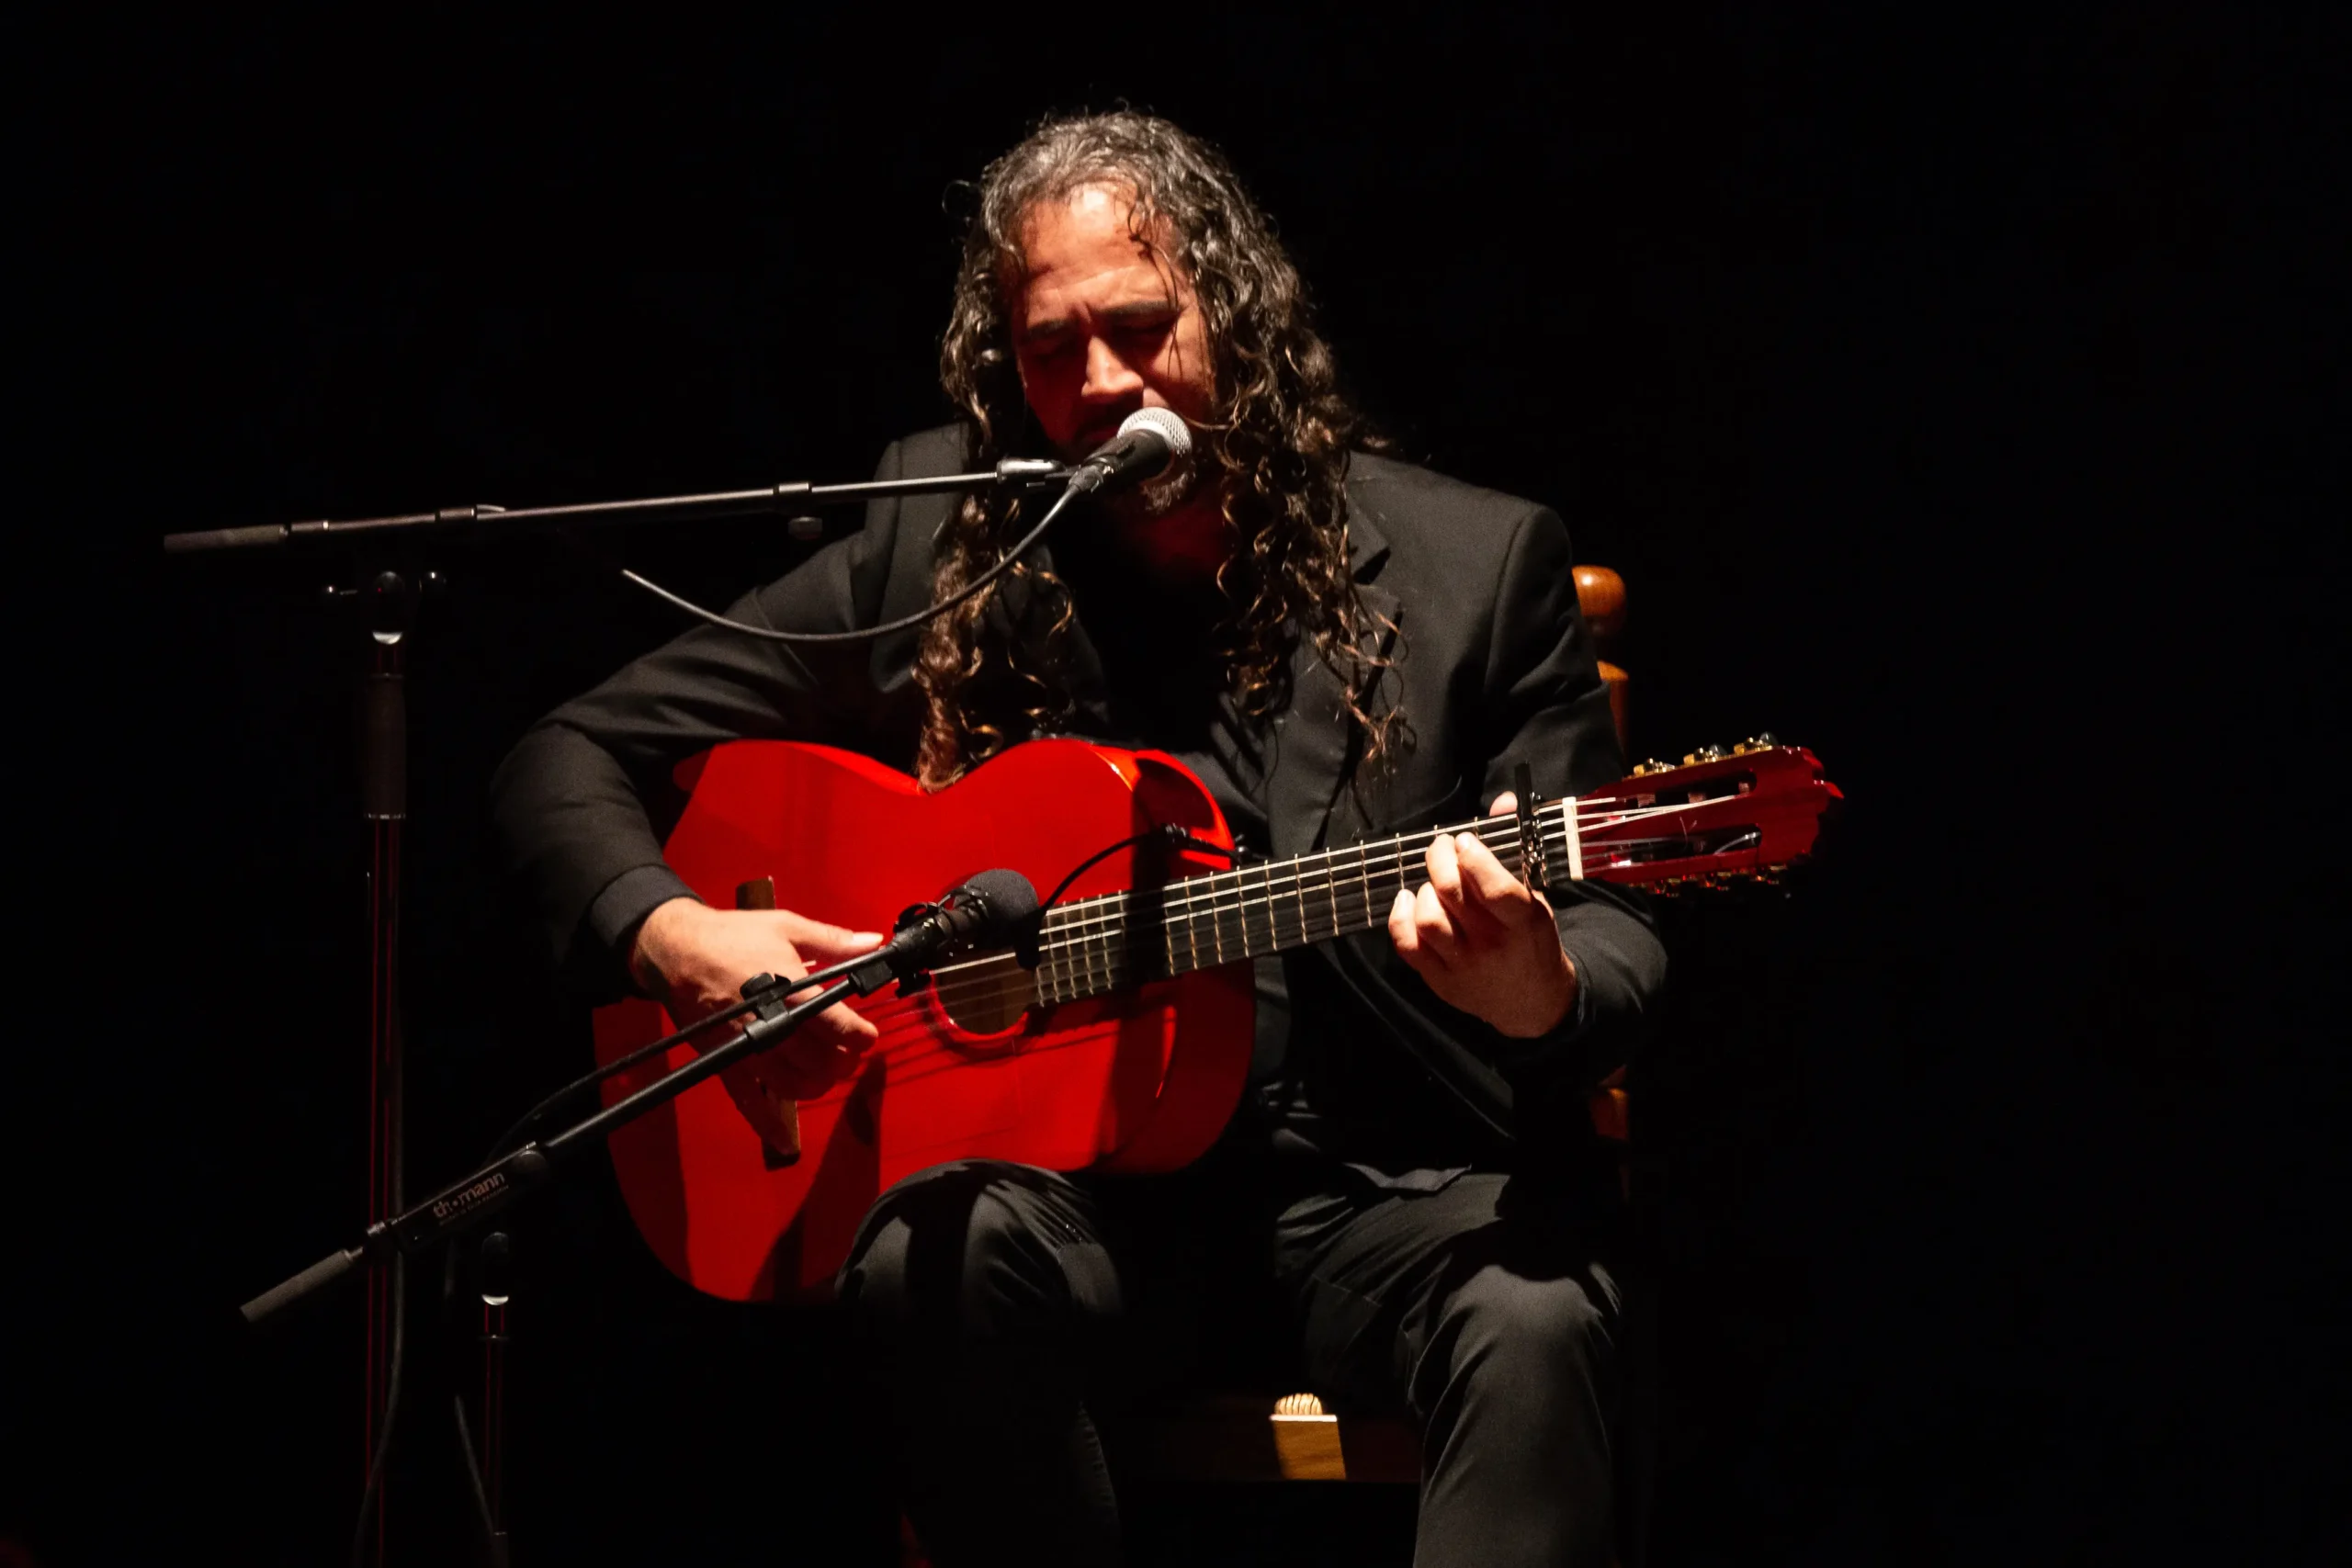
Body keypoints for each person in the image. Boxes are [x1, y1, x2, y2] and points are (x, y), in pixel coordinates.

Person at [492, 111, 1666, 1568]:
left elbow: (1618, 928)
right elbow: (569, 749)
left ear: (1233, 312)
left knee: (1542, 1311)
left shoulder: (1475, 567)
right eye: (1054, 347)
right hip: (1088, 1217)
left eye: (1142, 326)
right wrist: (672, 931)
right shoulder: (949, 544)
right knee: (937, 1249)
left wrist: (1536, 990)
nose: (1105, 383)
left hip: (1378, 1196)